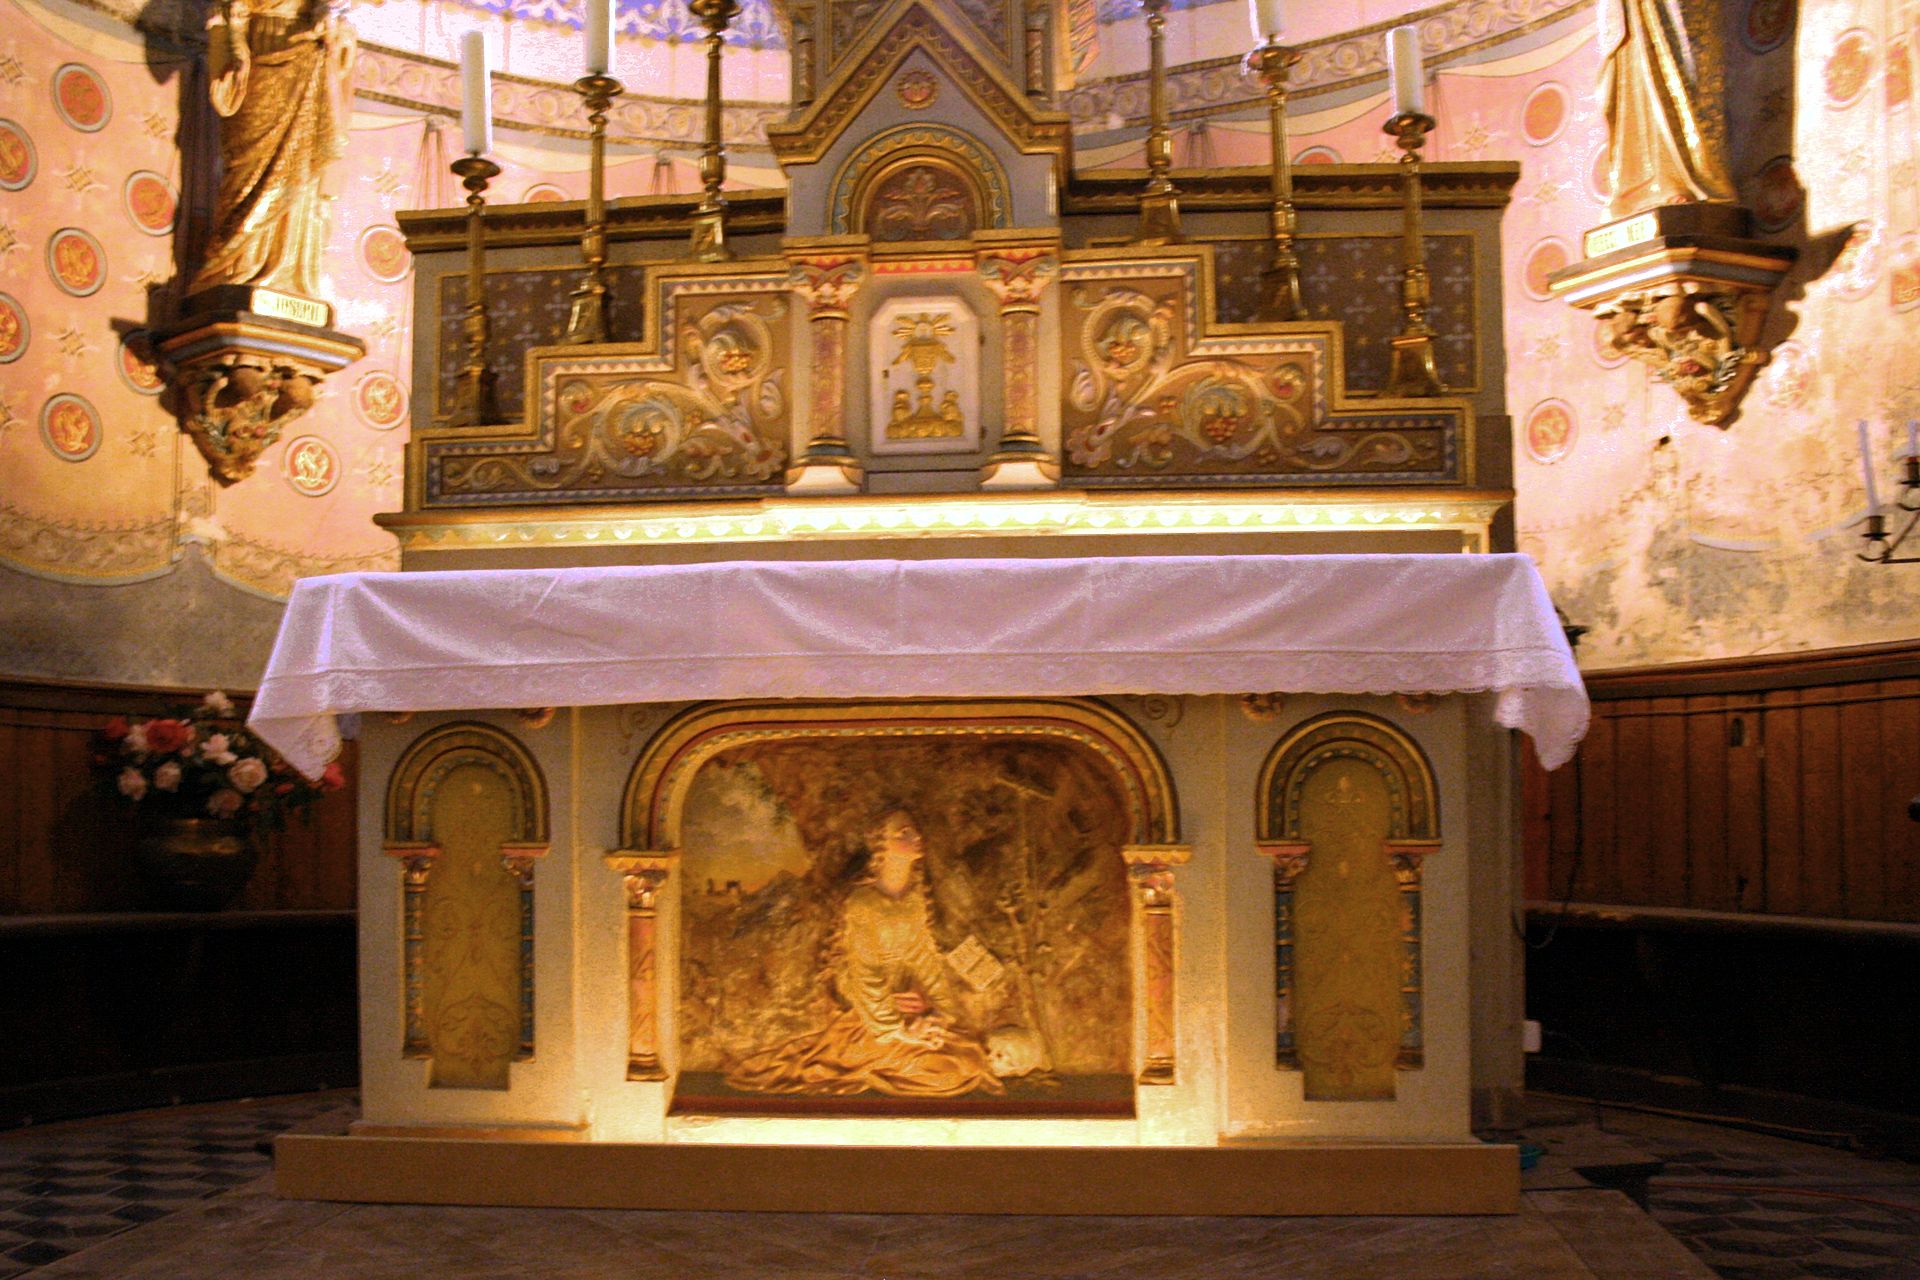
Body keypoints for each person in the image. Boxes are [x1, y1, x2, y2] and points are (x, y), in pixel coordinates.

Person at [723, 809, 1003, 1098]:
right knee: (947, 1073)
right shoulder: (862, 904)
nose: (915, 837)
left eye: (915, 831)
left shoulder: (915, 897)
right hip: (868, 1013)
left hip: (908, 1003)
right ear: (881, 844)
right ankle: (876, 1063)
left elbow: (924, 958)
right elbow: (864, 972)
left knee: (969, 1058)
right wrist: (898, 1029)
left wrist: (941, 1013)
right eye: (903, 833)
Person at [190, 0, 356, 300]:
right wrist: (235, 33)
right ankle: (233, 266)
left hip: (311, 55)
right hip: (258, 48)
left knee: (304, 172)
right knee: (247, 167)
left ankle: (290, 275)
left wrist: (331, 20)